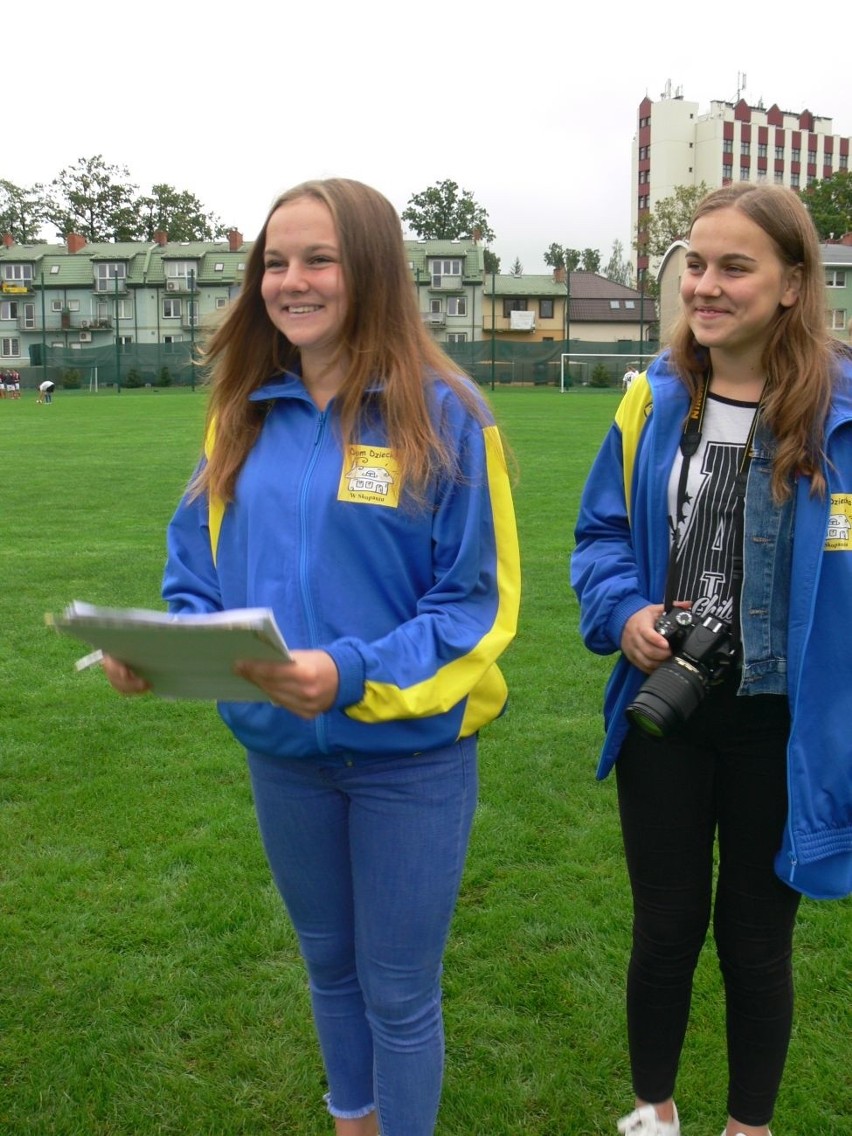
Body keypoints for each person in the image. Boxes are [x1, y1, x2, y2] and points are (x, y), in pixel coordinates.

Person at [102, 177, 521, 1136]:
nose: (290, 280)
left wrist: (351, 671)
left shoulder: (450, 415)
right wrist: (159, 653)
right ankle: (351, 1121)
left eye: (317, 259)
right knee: (329, 965)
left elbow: (477, 606)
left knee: (400, 991)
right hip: (282, 757)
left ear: (369, 270)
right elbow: (195, 574)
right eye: (274, 262)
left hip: (409, 762)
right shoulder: (240, 413)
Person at [571, 182, 852, 1136]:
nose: (708, 284)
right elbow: (601, 535)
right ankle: (655, 1109)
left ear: (790, 284)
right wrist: (625, 613)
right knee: (663, 931)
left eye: (736, 265)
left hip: (784, 721)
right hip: (669, 704)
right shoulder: (652, 398)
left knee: (758, 942)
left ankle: (748, 1126)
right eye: (696, 262)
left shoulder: (843, 412)